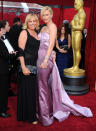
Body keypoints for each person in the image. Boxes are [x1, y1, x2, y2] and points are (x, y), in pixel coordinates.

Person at [37, 6, 93, 126]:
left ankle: (46, 116)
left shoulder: (52, 27)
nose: (45, 17)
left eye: (47, 14)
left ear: (52, 15)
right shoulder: (44, 27)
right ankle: (44, 112)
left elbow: (51, 44)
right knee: (44, 87)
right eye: (43, 15)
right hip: (41, 58)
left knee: (43, 88)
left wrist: (46, 59)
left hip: (45, 60)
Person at [17, 14, 40, 124]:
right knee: (28, 92)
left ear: (37, 22)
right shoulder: (24, 32)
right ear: (27, 22)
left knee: (31, 91)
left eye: (34, 21)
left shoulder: (37, 33)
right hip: (26, 66)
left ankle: (27, 114)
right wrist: (23, 67)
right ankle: (31, 117)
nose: (32, 23)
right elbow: (20, 51)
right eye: (30, 21)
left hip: (35, 67)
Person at [0, 20, 16, 118]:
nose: (9, 27)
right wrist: (13, 55)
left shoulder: (3, 38)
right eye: (8, 25)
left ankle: (3, 107)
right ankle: (2, 110)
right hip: (2, 69)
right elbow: (5, 55)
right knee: (3, 90)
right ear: (1, 29)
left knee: (3, 89)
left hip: (4, 68)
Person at [67, 0, 86, 73]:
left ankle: (77, 66)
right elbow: (72, 23)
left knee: (77, 50)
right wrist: (73, 25)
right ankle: (75, 66)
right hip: (74, 33)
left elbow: (81, 27)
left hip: (78, 33)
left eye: (75, 4)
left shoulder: (82, 14)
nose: (74, 6)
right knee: (74, 50)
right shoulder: (77, 14)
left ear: (80, 4)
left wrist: (73, 25)